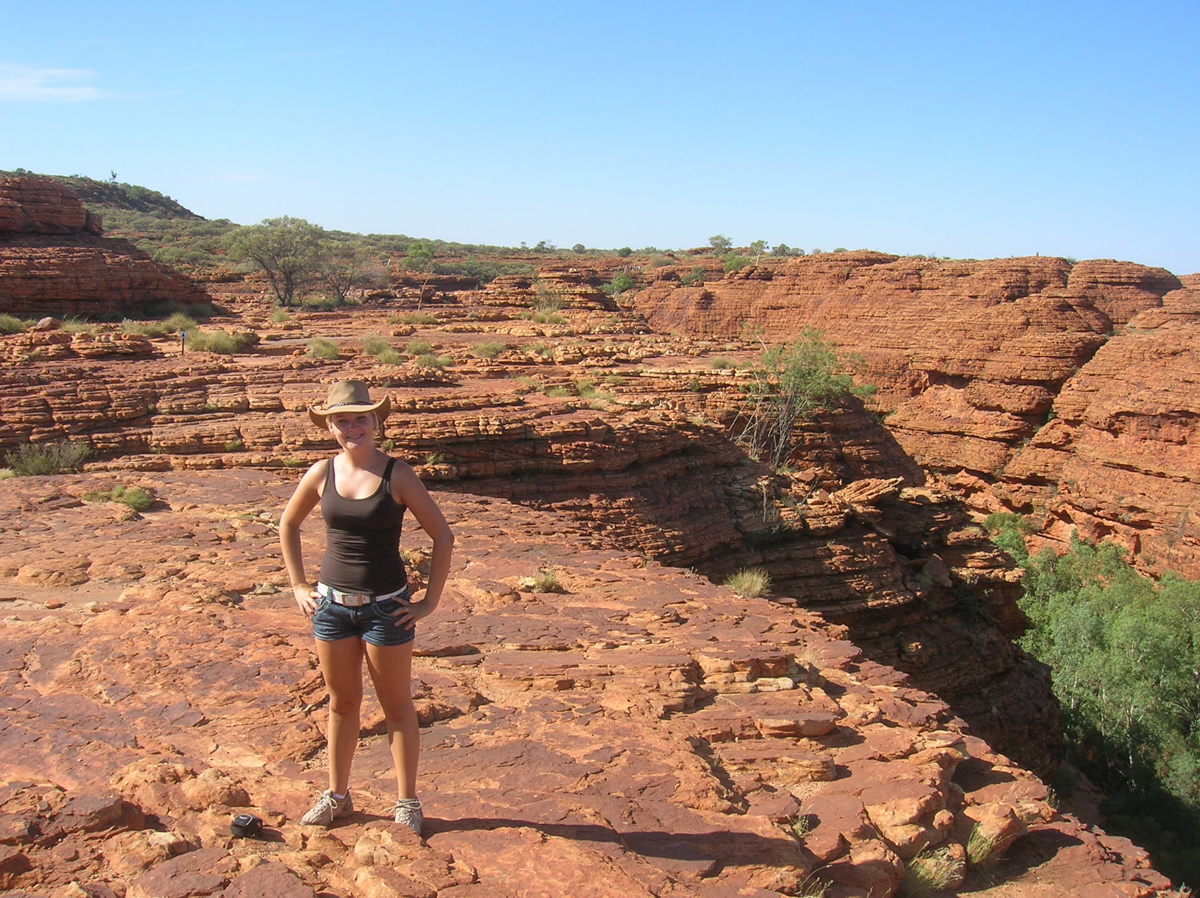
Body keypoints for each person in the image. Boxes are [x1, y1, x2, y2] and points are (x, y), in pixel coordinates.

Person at [279, 380, 454, 835]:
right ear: (331, 427)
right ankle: (337, 796)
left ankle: (407, 801)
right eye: (342, 419)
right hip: (332, 608)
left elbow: (443, 536)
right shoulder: (322, 473)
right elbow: (288, 524)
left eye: (360, 418)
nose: (351, 426)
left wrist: (428, 603)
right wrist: (298, 585)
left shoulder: (398, 474)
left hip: (386, 609)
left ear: (376, 422)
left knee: (396, 706)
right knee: (342, 704)